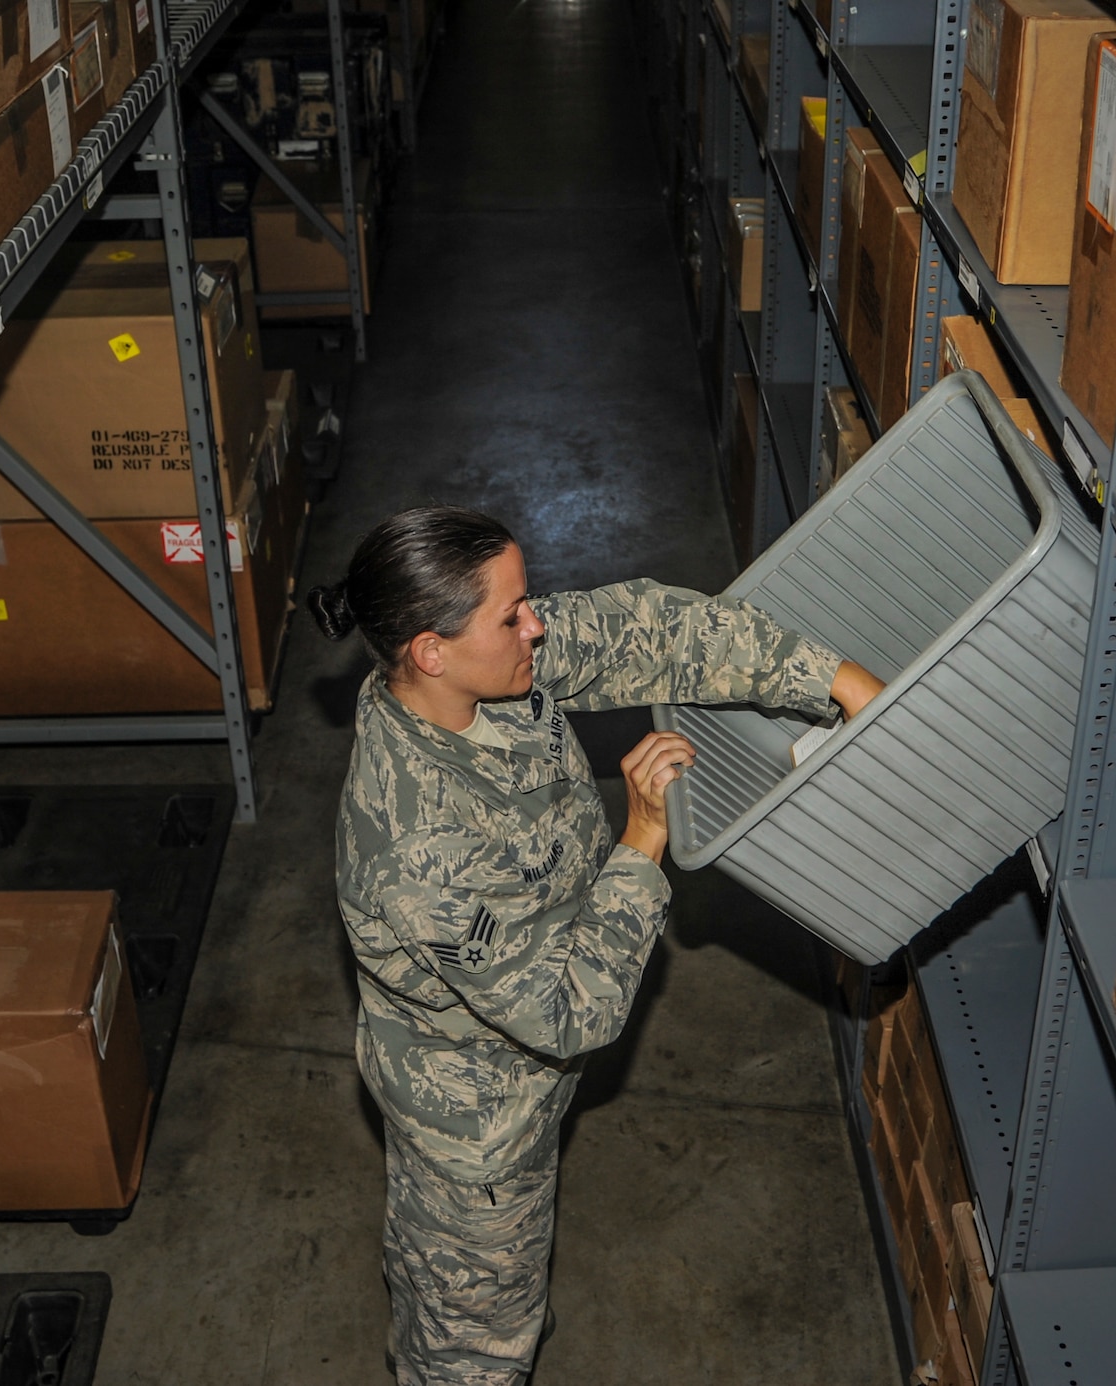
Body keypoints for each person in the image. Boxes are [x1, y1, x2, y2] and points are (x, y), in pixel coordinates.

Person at [310, 506, 884, 1386]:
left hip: (527, 1075)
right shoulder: (417, 848)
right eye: (512, 614)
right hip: (481, 1134)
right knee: (474, 1345)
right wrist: (643, 838)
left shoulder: (483, 671)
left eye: (527, 600)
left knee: (496, 1304)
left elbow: (656, 628)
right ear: (431, 649)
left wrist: (838, 682)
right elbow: (569, 1011)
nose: (536, 622)